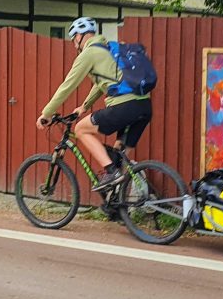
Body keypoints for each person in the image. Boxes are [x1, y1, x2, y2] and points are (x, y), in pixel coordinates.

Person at [36, 17, 153, 191]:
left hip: (124, 106)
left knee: (81, 129)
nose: (74, 43)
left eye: (73, 38)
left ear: (79, 36)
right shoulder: (108, 48)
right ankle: (117, 205)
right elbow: (103, 83)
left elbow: (67, 86)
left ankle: (111, 172)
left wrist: (46, 113)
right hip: (143, 107)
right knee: (118, 155)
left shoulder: (89, 53)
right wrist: (84, 106)